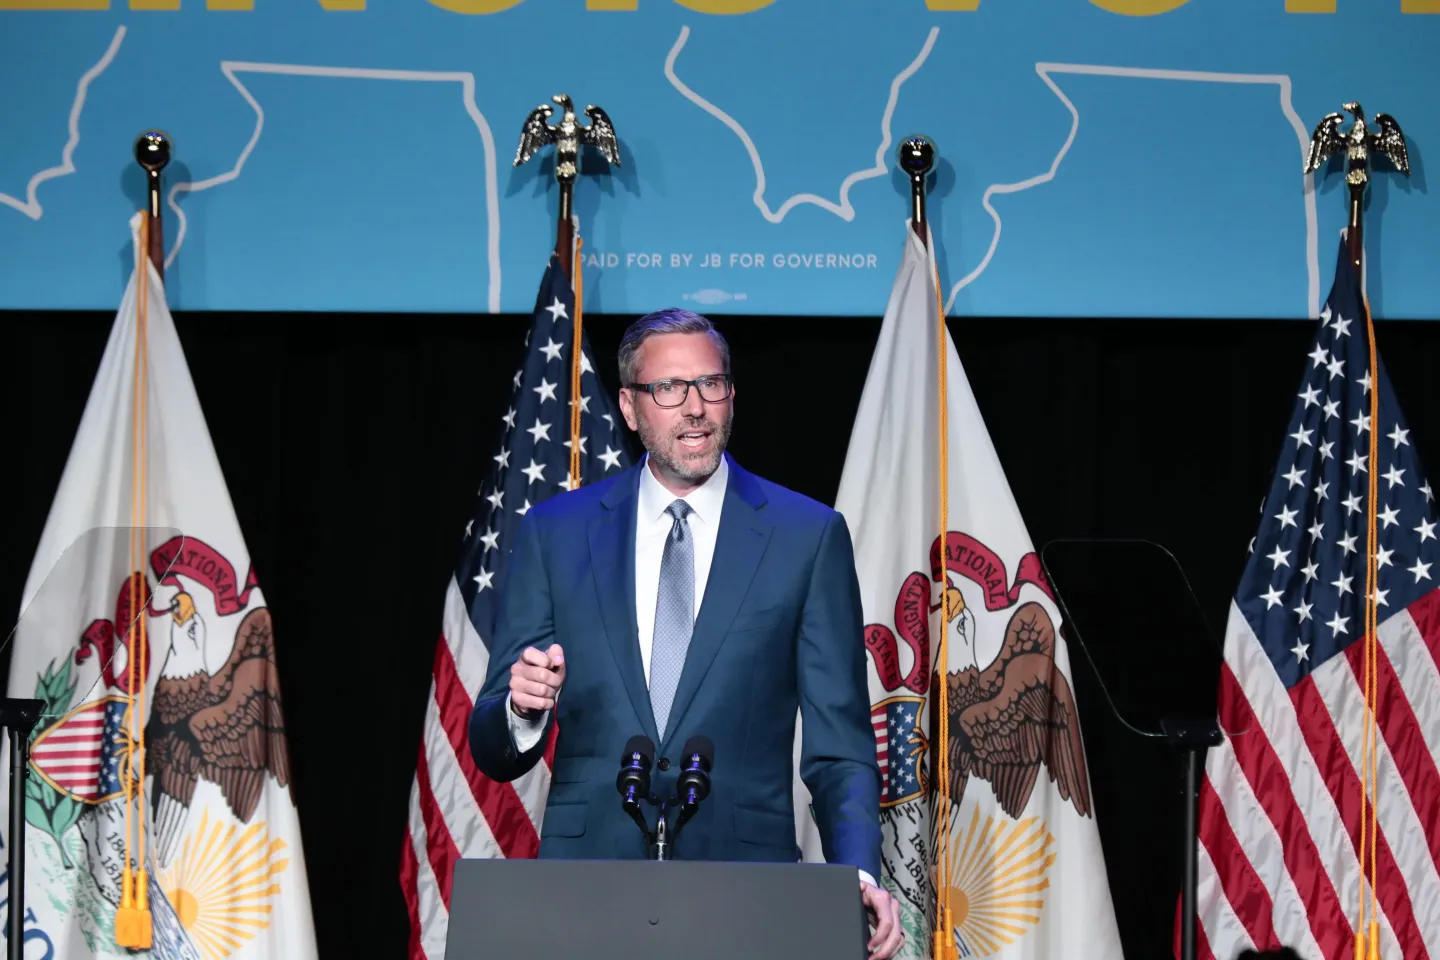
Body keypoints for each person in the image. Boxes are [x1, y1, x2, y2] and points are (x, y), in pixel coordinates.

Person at [468, 307, 903, 959]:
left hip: (747, 897)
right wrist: (524, 711)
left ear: (732, 396)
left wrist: (859, 872)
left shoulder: (805, 537)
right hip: (586, 894)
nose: (694, 407)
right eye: (669, 389)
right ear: (631, 406)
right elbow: (492, 749)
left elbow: (839, 747)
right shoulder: (556, 533)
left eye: (711, 384)